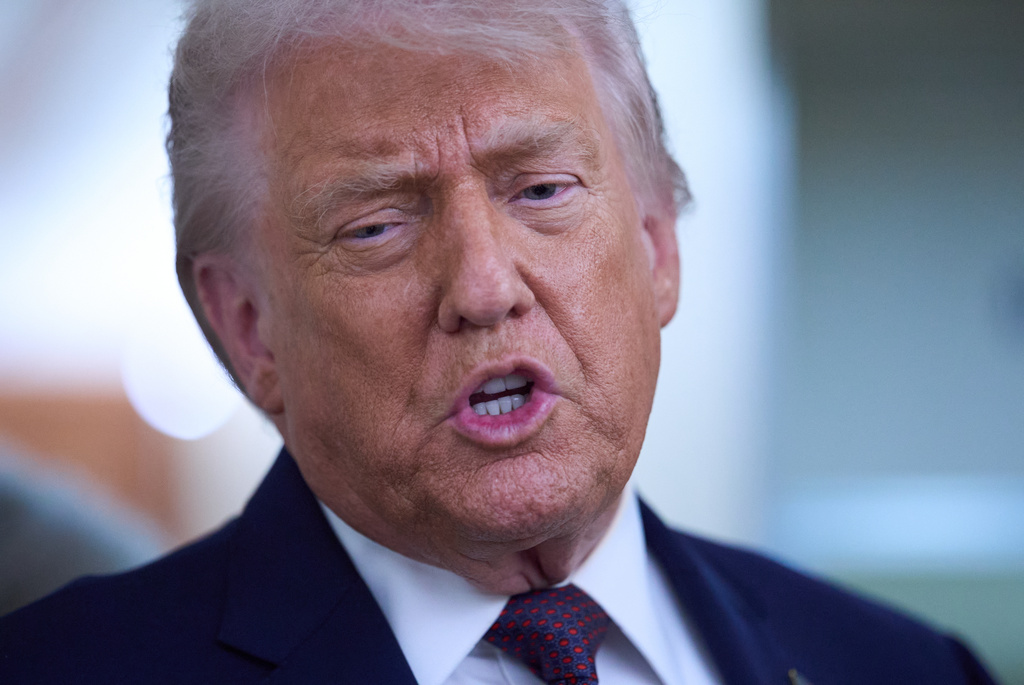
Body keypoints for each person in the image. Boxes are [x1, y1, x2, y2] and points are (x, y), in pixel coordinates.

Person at [0, 1, 998, 683]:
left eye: (541, 190)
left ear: (655, 243)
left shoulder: (902, 665)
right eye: (378, 225)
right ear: (248, 326)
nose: (483, 287)